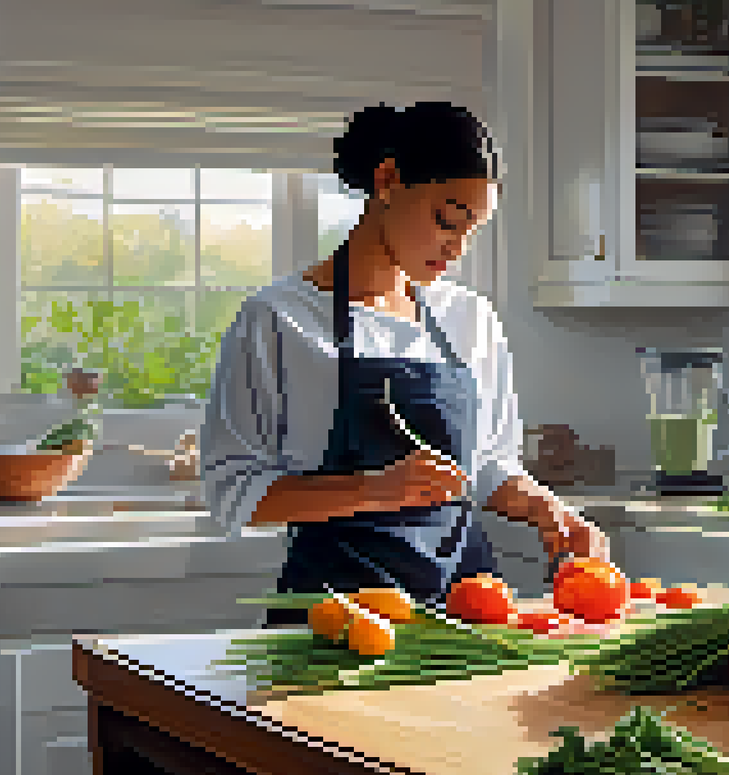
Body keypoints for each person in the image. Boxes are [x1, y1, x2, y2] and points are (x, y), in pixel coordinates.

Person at [203, 101, 610, 628]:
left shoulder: (469, 317)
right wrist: (374, 489)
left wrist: (548, 511)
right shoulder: (279, 319)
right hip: (336, 627)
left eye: (472, 230)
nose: (456, 249)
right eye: (447, 220)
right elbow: (234, 492)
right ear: (388, 179)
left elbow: (486, 466)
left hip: (466, 616)